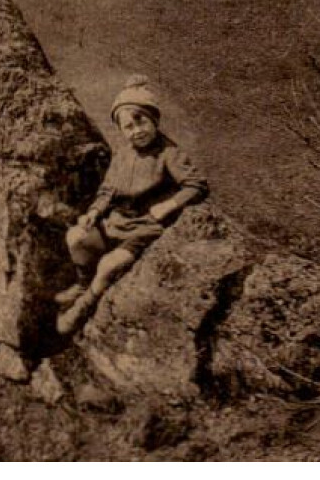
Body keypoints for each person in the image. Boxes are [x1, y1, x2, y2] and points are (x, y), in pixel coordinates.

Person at [55, 77, 208, 336]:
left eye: (141, 121)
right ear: (122, 131)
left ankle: (83, 306)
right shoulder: (123, 153)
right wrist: (93, 212)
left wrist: (170, 205)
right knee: (75, 237)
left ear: (154, 120)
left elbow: (197, 185)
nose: (136, 130)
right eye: (128, 126)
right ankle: (82, 284)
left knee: (108, 266)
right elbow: (108, 189)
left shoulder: (169, 153)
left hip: (144, 228)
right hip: (115, 221)